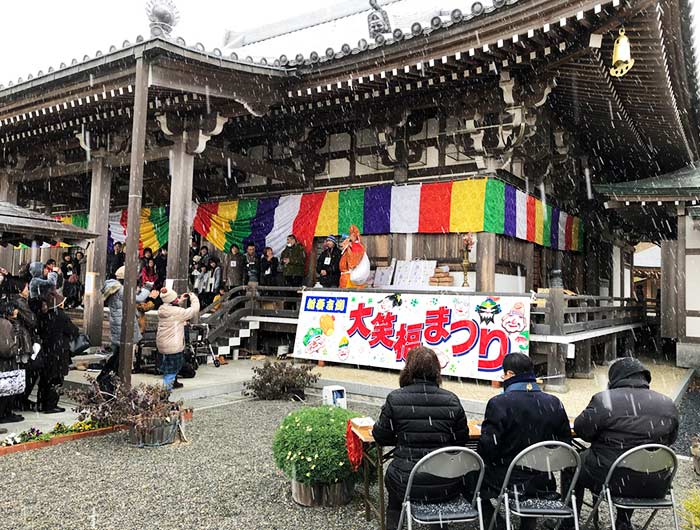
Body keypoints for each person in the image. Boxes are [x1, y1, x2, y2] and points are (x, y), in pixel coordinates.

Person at [570, 358, 679, 530]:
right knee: (635, 461)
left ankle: (569, 519)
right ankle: (623, 520)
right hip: (655, 482)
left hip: (611, 479)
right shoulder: (667, 404)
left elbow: (582, 430)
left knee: (573, 462)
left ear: (615, 377)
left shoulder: (605, 400)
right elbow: (671, 440)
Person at [373, 346, 470, 530]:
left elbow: (381, 436)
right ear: (437, 370)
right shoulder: (451, 400)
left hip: (406, 480)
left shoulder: (395, 399)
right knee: (435, 490)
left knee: (394, 498)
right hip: (447, 481)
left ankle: (394, 524)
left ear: (408, 369)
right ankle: (438, 524)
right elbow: (461, 440)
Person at [478, 353, 571, 530]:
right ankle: (527, 523)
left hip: (507, 480)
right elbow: (565, 445)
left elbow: (488, 447)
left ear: (511, 375)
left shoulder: (500, 403)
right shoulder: (554, 402)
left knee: (472, 474)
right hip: (543, 481)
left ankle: (496, 522)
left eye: (503, 374)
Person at [98, 266, 150, 388]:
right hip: (123, 324)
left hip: (117, 323)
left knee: (117, 354)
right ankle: (107, 378)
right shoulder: (121, 290)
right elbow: (139, 299)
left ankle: (107, 377)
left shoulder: (113, 288)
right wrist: (148, 288)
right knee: (120, 356)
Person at [36, 294, 79, 413]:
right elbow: (73, 331)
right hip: (59, 351)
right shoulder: (61, 315)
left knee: (45, 378)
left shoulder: (43, 315)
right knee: (56, 379)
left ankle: (41, 403)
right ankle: (50, 405)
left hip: (46, 349)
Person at [156, 287, 200, 390]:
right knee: (171, 371)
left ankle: (170, 385)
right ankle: (165, 395)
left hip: (162, 344)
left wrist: (179, 300)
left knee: (168, 369)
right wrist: (194, 298)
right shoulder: (178, 312)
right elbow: (194, 310)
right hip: (173, 345)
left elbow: (171, 306)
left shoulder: (162, 309)